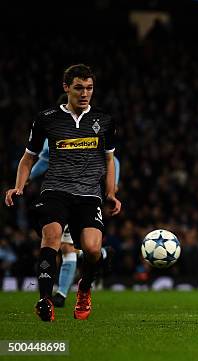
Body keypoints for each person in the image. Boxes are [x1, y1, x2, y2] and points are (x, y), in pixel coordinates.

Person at [4, 64, 121, 321]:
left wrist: (111, 193)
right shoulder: (46, 119)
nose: (84, 93)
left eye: (89, 88)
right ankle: (45, 300)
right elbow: (28, 158)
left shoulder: (104, 121)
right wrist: (19, 186)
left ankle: (84, 288)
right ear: (66, 87)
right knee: (52, 236)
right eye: (79, 87)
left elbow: (110, 160)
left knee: (92, 250)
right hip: (56, 190)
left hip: (89, 195)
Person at [29, 137, 120, 307]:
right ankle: (103, 255)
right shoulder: (52, 130)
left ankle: (61, 295)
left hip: (84, 197)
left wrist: (113, 184)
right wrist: (28, 178)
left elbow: (112, 159)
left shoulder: (91, 128)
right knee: (61, 246)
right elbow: (44, 160)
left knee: (67, 247)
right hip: (56, 196)